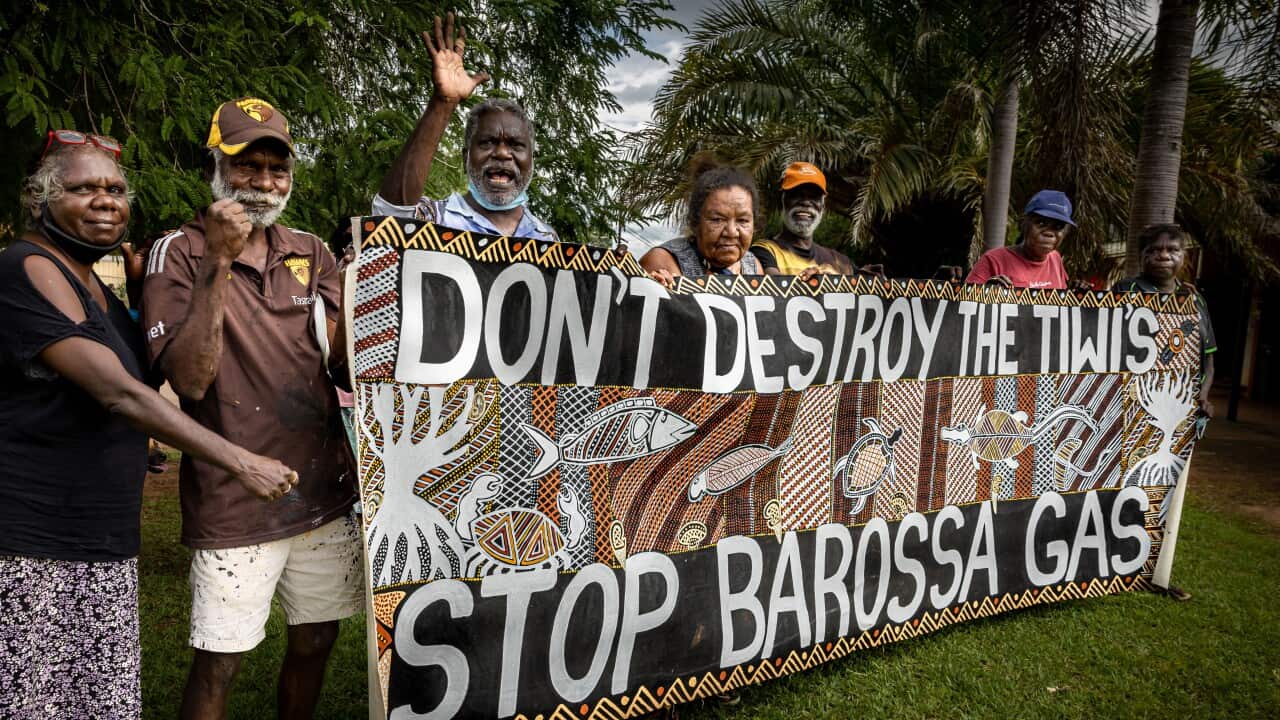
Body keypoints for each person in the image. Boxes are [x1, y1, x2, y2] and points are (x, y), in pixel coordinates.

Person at [0, 132, 297, 718]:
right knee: (36, 698)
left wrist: (138, 291)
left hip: (98, 536)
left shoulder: (90, 283)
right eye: (82, 188)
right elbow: (118, 393)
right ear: (40, 199)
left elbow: (145, 364)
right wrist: (239, 459)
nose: (106, 200)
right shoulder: (24, 265)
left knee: (92, 697)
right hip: (35, 541)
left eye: (114, 188)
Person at [140, 99, 362, 720]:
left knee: (317, 639)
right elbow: (188, 378)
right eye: (247, 166)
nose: (264, 183)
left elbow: (343, 367)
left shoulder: (312, 251)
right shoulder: (178, 252)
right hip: (236, 494)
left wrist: (356, 304)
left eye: (276, 169)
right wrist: (218, 256)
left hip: (321, 487)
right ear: (216, 166)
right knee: (221, 661)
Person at [373, 13, 557, 241]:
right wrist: (443, 102)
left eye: (516, 145)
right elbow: (390, 219)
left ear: (531, 160)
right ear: (465, 158)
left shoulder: (547, 239)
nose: (501, 153)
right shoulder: (435, 220)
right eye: (487, 142)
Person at [1113, 224, 1216, 416]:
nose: (1163, 256)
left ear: (1184, 255)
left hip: (1181, 406)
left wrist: (1203, 397)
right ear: (1141, 256)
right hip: (1131, 404)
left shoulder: (1195, 300)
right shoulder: (1126, 290)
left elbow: (1208, 358)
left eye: (1173, 250)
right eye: (1153, 250)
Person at [640, 161, 763, 286]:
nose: (731, 232)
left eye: (742, 220)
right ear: (695, 223)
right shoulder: (664, 262)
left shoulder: (752, 267)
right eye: (717, 219)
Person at [750, 162, 854, 279]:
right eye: (796, 194)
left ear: (823, 207)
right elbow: (776, 288)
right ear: (782, 202)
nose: (805, 202)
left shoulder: (840, 262)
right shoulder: (765, 251)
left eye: (814, 196)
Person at [967, 189, 1075, 289]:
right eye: (1041, 223)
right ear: (1024, 223)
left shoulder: (1055, 259)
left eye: (1058, 227)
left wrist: (1079, 294)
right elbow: (966, 303)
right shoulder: (994, 260)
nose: (1049, 233)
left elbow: (1061, 303)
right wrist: (986, 292)